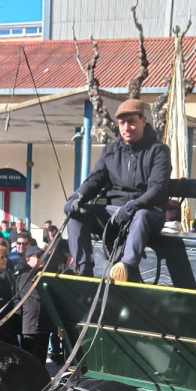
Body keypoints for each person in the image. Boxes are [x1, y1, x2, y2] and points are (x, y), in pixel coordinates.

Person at [64, 98, 170, 282]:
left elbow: (157, 189)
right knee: (76, 214)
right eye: (122, 123)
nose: (126, 128)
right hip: (115, 213)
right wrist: (77, 197)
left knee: (142, 214)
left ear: (143, 121)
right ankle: (83, 269)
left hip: (147, 213)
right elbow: (95, 180)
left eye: (131, 122)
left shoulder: (158, 151)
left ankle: (125, 268)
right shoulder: (110, 151)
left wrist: (135, 205)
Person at [17, 245, 54, 364]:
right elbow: (39, 294)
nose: (42, 258)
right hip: (32, 326)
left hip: (43, 326)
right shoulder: (25, 275)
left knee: (41, 362)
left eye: (43, 256)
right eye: (38, 256)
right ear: (28, 259)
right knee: (30, 363)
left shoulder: (41, 274)